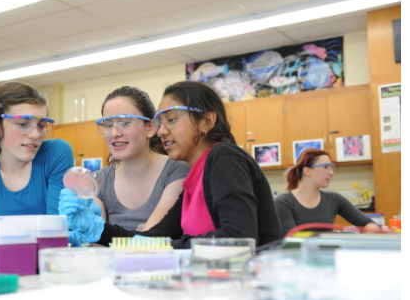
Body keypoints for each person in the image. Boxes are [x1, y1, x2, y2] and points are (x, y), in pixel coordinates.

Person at [60, 81, 283, 248]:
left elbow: (239, 239)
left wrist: (171, 248)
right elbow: (155, 238)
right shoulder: (195, 179)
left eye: (172, 120)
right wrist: (96, 230)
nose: (162, 130)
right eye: (160, 122)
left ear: (206, 122)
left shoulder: (225, 158)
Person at [0, 81, 74, 220]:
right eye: (23, 124)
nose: (35, 135)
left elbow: (55, 230)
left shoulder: (56, 153)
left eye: (41, 125)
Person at [94, 86, 189, 231]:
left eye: (125, 122)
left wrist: (98, 233)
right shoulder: (98, 181)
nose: (114, 133)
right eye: (108, 124)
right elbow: (95, 243)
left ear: (150, 127)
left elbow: (149, 241)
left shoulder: (176, 171)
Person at [275, 148, 380, 235]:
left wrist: (368, 233)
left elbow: (370, 224)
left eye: (331, 167)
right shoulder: (283, 202)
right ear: (307, 171)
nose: (331, 172)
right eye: (325, 167)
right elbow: (292, 239)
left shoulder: (335, 199)